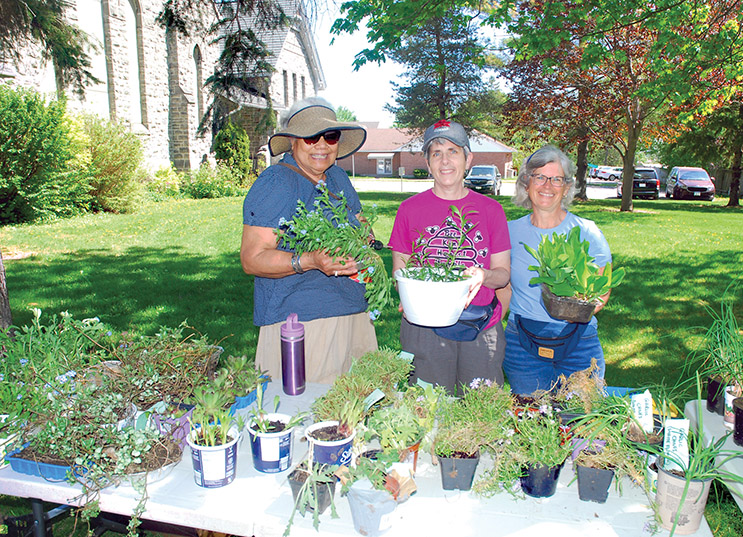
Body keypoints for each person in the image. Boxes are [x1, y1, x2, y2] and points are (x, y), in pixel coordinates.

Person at [240, 97, 378, 384]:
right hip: (303, 323)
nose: (322, 145)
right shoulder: (277, 182)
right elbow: (252, 258)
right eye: (310, 137)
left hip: (353, 311)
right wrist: (310, 260)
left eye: (330, 136)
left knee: (356, 411)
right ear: (292, 141)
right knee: (309, 415)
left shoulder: (338, 177)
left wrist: (362, 244)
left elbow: (364, 230)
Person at [388, 120, 511, 395]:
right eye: (436, 153)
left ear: (468, 159)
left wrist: (484, 276)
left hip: (480, 326)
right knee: (427, 411)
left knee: (481, 414)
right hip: (425, 327)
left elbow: (503, 273)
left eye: (453, 151)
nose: (445, 161)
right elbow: (400, 272)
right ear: (428, 163)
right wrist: (407, 297)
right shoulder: (409, 210)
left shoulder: (491, 210)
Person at [498, 145, 613, 394]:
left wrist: (576, 310)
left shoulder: (588, 232)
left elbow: (602, 292)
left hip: (579, 341)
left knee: (583, 419)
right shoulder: (509, 232)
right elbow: (504, 287)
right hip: (522, 344)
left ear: (567, 187)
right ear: (526, 183)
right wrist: (492, 329)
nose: (547, 186)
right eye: (539, 177)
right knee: (531, 421)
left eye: (556, 179)